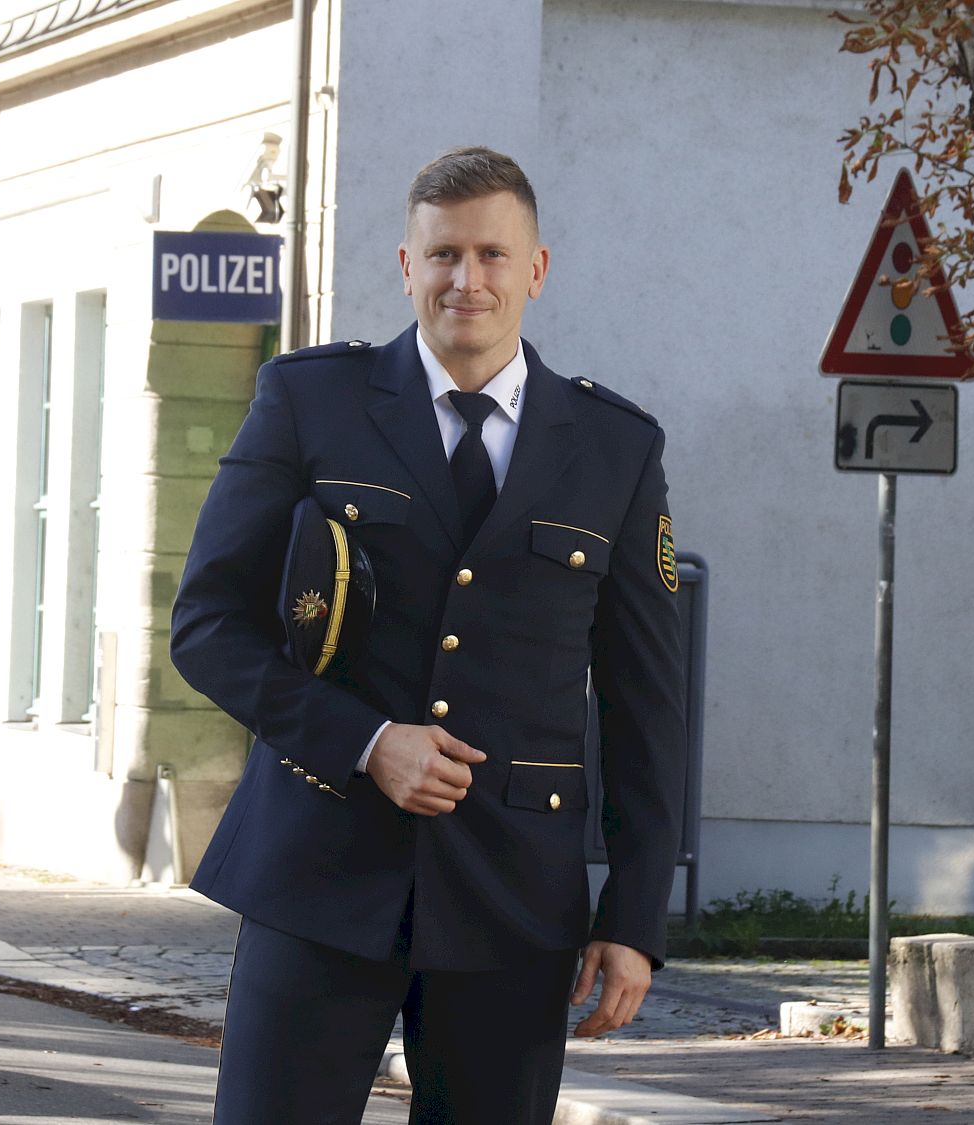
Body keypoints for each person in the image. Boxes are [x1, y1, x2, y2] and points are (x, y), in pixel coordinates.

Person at [171, 145, 686, 1124]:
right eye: (443, 254)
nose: (467, 279)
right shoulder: (308, 402)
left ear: (534, 271)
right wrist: (365, 743)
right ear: (405, 266)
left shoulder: (615, 449)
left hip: (513, 902)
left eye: (493, 255)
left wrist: (633, 917)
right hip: (316, 872)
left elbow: (645, 703)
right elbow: (205, 627)